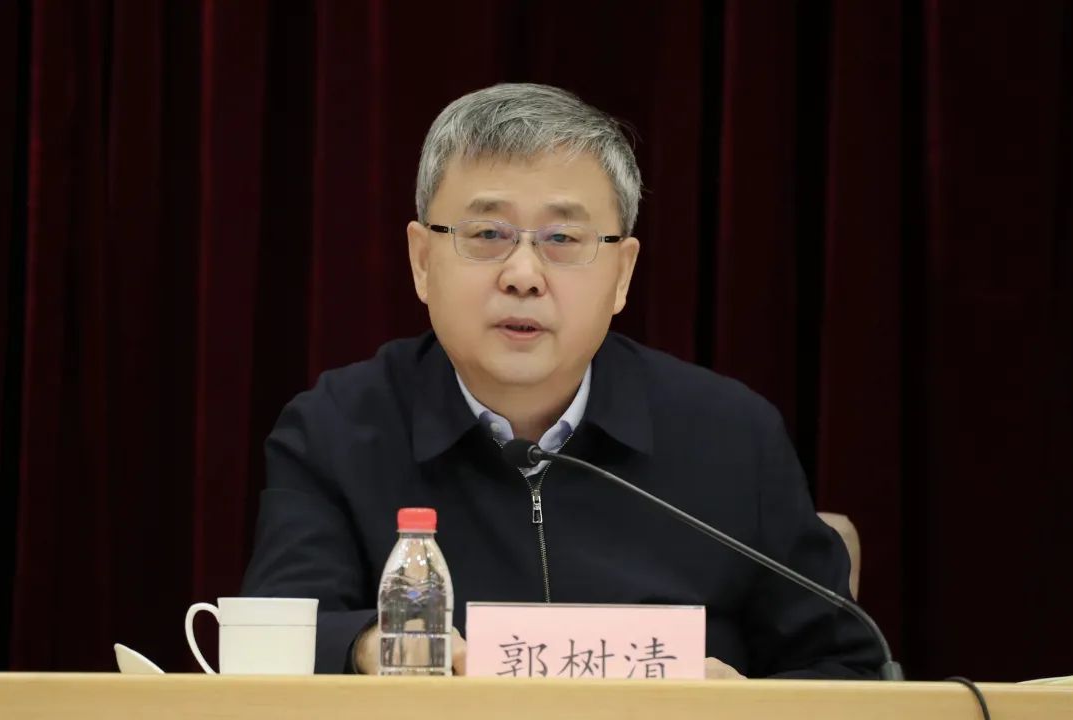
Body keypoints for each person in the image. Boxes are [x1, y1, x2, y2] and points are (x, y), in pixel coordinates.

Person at [241, 83, 881, 678]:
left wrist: (742, 710)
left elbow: (848, 671)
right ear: (422, 260)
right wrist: (367, 646)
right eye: (486, 234)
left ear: (622, 274)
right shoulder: (334, 428)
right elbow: (270, 643)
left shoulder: (733, 435)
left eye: (564, 239)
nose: (523, 275)